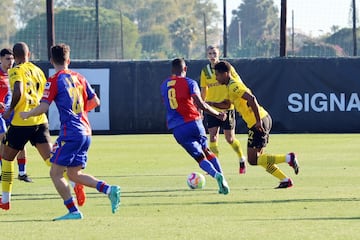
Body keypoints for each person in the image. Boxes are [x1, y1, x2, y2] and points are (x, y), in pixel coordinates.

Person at [20, 43, 120, 220]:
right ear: (69, 60)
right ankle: (109, 189)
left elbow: (43, 107)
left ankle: (73, 211)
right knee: (74, 174)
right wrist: (79, 113)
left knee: (55, 173)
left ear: (51, 60)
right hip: (85, 132)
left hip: (71, 132)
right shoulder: (79, 77)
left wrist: (28, 113)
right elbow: (95, 101)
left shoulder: (54, 80)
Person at [0, 42, 86, 211]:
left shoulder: (16, 71)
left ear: (15, 57)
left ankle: (5, 200)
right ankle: (75, 182)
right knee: (51, 160)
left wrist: (10, 110)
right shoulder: (38, 71)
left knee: (7, 159)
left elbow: (18, 90)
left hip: (21, 121)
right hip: (40, 120)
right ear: (29, 54)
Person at [214, 61, 299, 189]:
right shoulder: (229, 87)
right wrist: (209, 103)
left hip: (258, 122)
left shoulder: (234, 86)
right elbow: (226, 104)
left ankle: (288, 158)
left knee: (252, 160)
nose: (216, 78)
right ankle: (285, 180)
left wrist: (258, 121)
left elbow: (251, 99)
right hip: (261, 119)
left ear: (225, 74)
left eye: (218, 75)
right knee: (260, 158)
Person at [161, 58, 230, 195]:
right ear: (185, 69)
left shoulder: (164, 85)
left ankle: (216, 175)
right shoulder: (190, 82)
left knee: (199, 157)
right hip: (194, 122)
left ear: (172, 70)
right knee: (207, 150)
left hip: (178, 128)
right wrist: (217, 114)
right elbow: (200, 103)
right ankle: (223, 179)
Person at [200, 45, 246, 174]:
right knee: (213, 138)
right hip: (212, 109)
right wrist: (202, 107)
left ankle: (241, 158)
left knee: (230, 139)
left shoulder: (226, 68)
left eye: (214, 53)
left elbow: (238, 82)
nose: (212, 56)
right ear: (207, 55)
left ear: (218, 53)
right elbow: (204, 90)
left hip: (226, 107)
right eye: (210, 53)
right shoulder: (205, 71)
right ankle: (216, 167)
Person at [0, 48, 31, 182]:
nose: (10, 62)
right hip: (1, 115)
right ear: (1, 59)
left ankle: (22, 173)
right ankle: (4, 172)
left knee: (21, 142)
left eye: (12, 59)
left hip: (13, 113)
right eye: (7, 59)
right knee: (3, 142)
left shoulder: (17, 73)